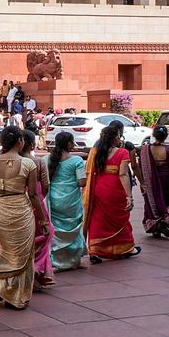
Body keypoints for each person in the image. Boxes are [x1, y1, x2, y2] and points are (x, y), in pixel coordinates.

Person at [0, 125, 47, 309]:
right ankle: (13, 294)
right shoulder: (28, 164)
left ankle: (2, 285)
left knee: (8, 250)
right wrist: (43, 219)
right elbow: (34, 195)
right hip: (20, 209)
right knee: (22, 254)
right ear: (20, 141)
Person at [83, 123, 140, 262]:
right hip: (115, 190)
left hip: (98, 189)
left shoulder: (95, 152)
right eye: (118, 136)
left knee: (98, 220)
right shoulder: (122, 152)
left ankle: (95, 250)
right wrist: (129, 196)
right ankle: (124, 247)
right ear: (114, 138)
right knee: (120, 220)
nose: (120, 139)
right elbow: (123, 175)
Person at [46, 131, 87, 270]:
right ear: (69, 144)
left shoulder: (47, 159)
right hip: (71, 201)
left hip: (54, 199)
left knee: (56, 231)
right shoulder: (76, 161)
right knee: (74, 229)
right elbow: (82, 182)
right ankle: (74, 260)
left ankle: (56, 262)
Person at [138, 126, 169, 238]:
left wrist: (142, 182)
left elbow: (139, 167)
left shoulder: (145, 149)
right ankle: (166, 219)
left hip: (151, 180)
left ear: (153, 135)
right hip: (167, 179)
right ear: (166, 136)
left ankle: (156, 228)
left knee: (153, 201)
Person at [21, 130, 55, 288]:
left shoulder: (15, 161)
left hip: (20, 203)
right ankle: (36, 270)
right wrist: (40, 198)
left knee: (24, 239)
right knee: (45, 234)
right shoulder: (38, 162)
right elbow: (46, 185)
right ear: (30, 144)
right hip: (37, 202)